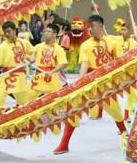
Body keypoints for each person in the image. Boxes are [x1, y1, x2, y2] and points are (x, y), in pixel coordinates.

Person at [52, 14, 125, 155]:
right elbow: (84, 65)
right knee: (74, 111)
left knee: (117, 113)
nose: (89, 29)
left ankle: (127, 138)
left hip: (107, 84)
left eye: (92, 26)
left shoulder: (114, 42)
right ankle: (64, 144)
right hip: (90, 83)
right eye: (89, 27)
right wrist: (79, 83)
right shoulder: (85, 45)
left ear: (101, 26)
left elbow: (120, 62)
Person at [0, 21, 34, 108]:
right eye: (5, 32)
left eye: (9, 31)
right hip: (6, 77)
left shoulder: (23, 42)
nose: (7, 34)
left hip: (20, 78)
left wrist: (32, 58)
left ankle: (24, 115)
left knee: (25, 104)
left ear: (15, 30)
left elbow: (34, 51)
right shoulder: (2, 46)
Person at [30, 24, 67, 97]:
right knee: (29, 98)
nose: (45, 33)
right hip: (38, 78)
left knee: (54, 99)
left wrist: (52, 72)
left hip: (51, 77)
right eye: (45, 31)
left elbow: (63, 64)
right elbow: (32, 59)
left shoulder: (59, 49)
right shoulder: (38, 46)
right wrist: (25, 57)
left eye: (48, 31)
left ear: (54, 34)